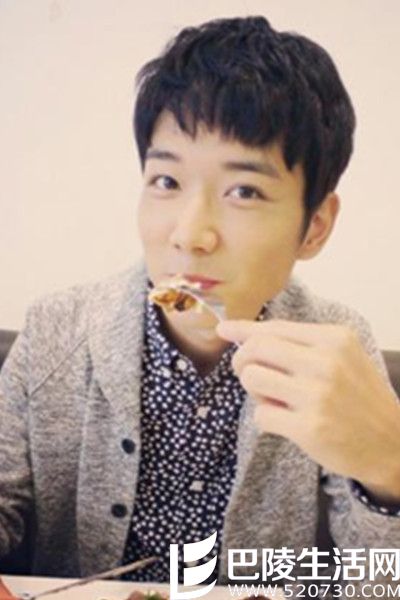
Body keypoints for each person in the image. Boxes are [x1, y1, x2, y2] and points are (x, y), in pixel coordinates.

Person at [1, 14, 400, 597]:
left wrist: (389, 469)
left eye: (245, 191)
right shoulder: (59, 330)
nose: (190, 235)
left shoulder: (336, 345)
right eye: (166, 181)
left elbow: (378, 583)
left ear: (315, 225)